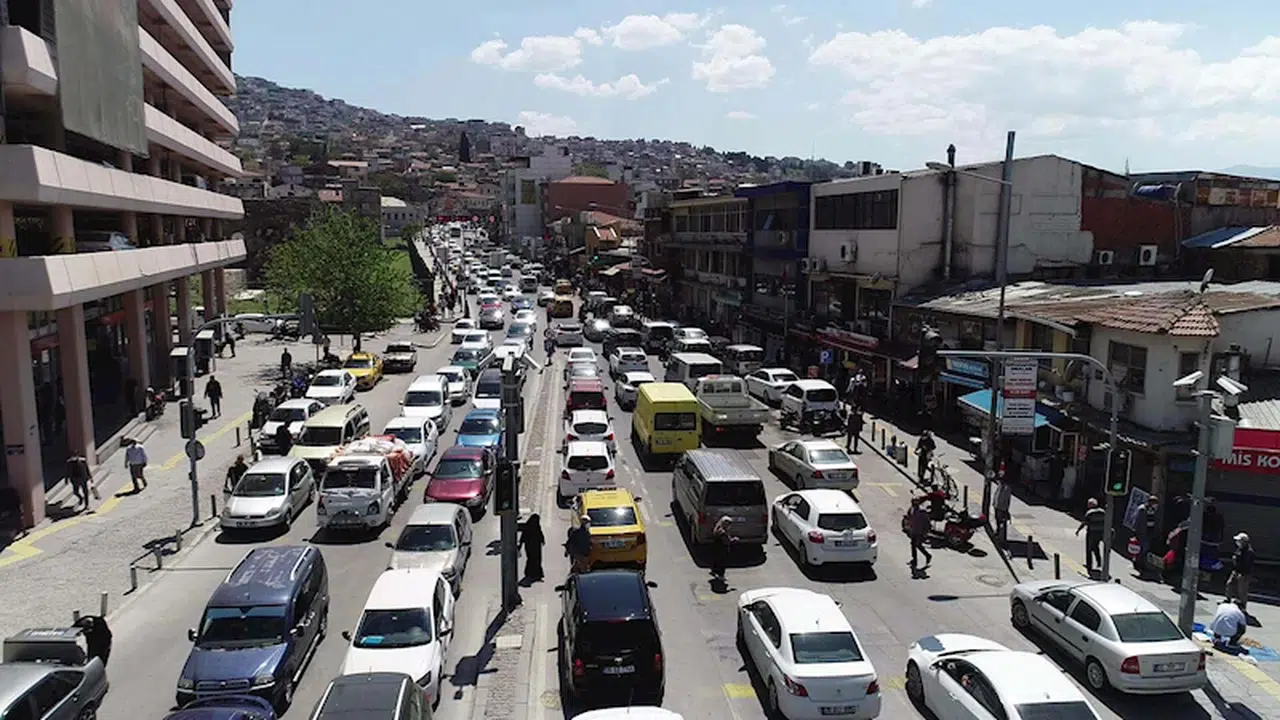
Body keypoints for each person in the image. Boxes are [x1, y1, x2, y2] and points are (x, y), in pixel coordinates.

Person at [1226, 532, 1256, 611]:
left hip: (1244, 573)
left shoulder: (1249, 552)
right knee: (1229, 584)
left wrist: (1241, 573)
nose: (1237, 542)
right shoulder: (1240, 549)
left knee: (1242, 590)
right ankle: (1228, 599)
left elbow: (1247, 564)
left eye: (1239, 540)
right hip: (1236, 570)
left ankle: (1243, 606)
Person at [1076, 497, 1106, 574]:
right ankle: (1099, 562)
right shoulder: (1103, 512)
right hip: (1100, 533)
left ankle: (1089, 566)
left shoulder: (1090, 513)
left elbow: (1084, 522)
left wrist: (1078, 530)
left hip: (1091, 533)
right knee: (1096, 547)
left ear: (1090, 505)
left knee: (1088, 549)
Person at [1134, 494, 1160, 574]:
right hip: (1143, 533)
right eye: (1155, 503)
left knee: (1145, 549)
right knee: (1143, 548)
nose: (1156, 505)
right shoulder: (1142, 509)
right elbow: (1137, 521)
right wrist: (1136, 531)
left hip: (1149, 532)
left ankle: (1140, 563)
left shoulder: (1153, 509)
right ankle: (1138, 563)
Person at [908, 498, 933, 572]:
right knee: (913, 544)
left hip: (920, 532)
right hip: (914, 530)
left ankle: (928, 555)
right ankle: (914, 559)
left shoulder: (922, 511)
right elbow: (911, 517)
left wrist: (925, 532)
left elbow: (927, 522)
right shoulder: (913, 509)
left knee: (918, 545)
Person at [519, 513, 546, 581]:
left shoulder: (534, 526)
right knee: (533, 560)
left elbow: (540, 534)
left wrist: (542, 540)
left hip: (534, 546)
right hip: (532, 547)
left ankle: (536, 574)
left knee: (535, 560)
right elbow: (523, 537)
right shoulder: (530, 527)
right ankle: (531, 574)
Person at [710, 515, 737, 580]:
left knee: (717, 561)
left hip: (717, 549)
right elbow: (727, 541)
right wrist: (734, 540)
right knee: (722, 563)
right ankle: (721, 575)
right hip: (722, 550)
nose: (729, 526)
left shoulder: (718, 528)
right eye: (728, 524)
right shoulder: (722, 532)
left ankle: (714, 571)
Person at [994, 480, 1013, 546]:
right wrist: (994, 503)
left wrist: (1005, 509)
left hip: (1002, 507)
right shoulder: (999, 486)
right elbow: (996, 494)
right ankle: (998, 532)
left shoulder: (1007, 488)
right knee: (996, 519)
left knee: (1001, 521)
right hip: (996, 505)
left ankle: (1001, 536)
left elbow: (1007, 499)